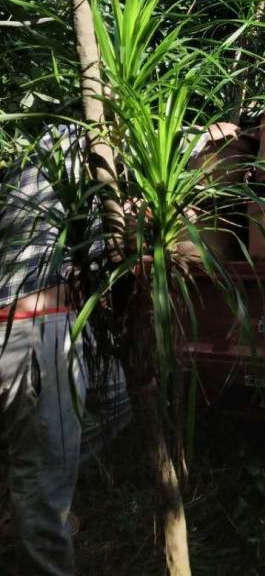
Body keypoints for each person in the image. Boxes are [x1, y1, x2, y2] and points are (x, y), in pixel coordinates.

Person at [0, 124, 130, 574]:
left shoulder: (65, 161)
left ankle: (30, 494)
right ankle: (35, 512)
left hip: (58, 325)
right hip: (36, 329)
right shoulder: (75, 144)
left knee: (117, 397)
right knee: (45, 488)